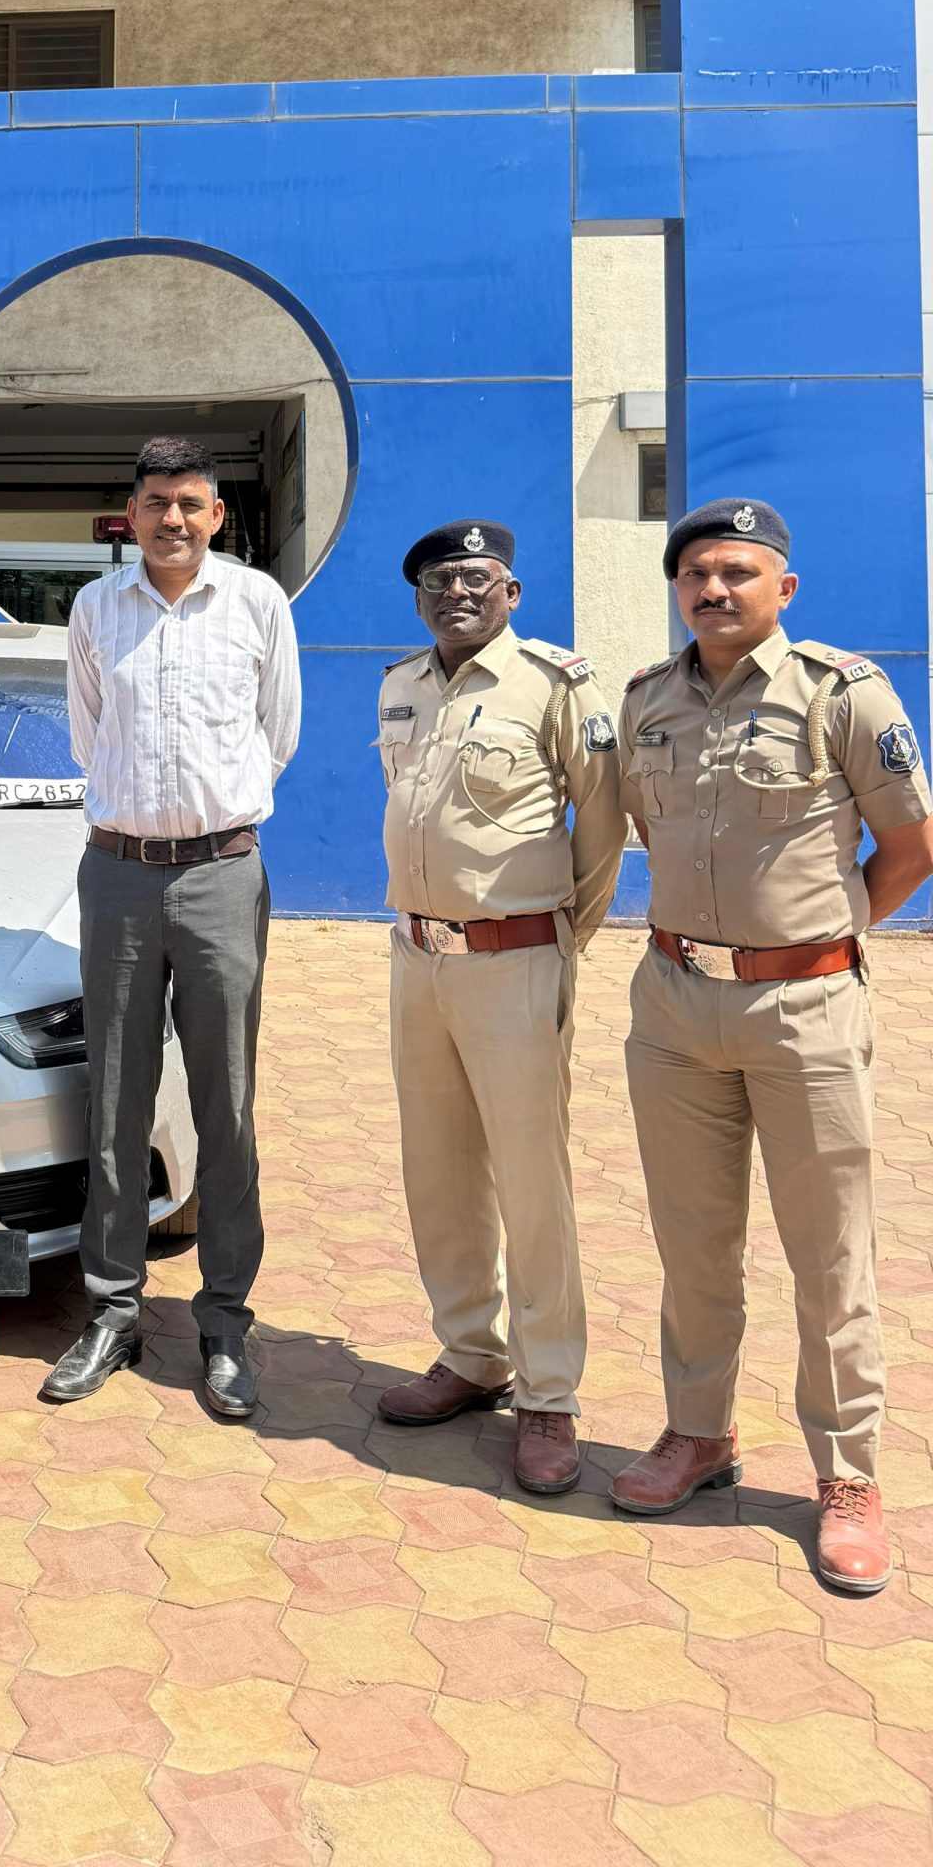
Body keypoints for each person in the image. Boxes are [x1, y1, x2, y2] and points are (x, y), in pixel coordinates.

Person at [610, 499, 933, 1594]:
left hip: (804, 1013)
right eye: (695, 572)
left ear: (782, 587)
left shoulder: (844, 693)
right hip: (674, 1007)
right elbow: (648, 831)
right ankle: (699, 1433)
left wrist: (818, 944)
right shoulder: (647, 700)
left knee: (829, 1254)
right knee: (693, 1244)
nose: (714, 588)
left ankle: (848, 1475)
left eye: (737, 571)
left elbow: (911, 844)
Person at [41, 436, 301, 1418]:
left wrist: (206, 821)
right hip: (117, 873)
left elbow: (278, 734)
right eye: (156, 503)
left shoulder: (257, 604)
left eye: (191, 503)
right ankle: (113, 1309)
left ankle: (224, 1319)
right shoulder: (95, 609)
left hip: (223, 874)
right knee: (115, 1098)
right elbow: (89, 735)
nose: (174, 520)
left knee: (225, 1103)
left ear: (217, 514)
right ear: (132, 512)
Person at [371, 521, 624, 1494]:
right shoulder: (400, 684)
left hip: (515, 959)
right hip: (416, 956)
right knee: (436, 1169)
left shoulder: (554, 684)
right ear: (419, 598)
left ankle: (549, 1391)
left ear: (511, 592)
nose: (458, 594)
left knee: (530, 1180)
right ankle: (470, 1354)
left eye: (477, 578)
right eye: (439, 580)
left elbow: (602, 823)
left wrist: (559, 940)